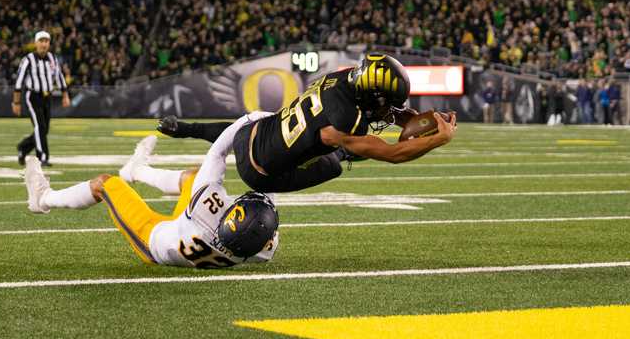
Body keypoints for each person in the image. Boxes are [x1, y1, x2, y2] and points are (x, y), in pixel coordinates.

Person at [156, 53, 456, 194]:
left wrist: (410, 117)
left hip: (253, 133)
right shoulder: (347, 121)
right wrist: (437, 139)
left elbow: (375, 104)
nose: (390, 109)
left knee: (259, 121)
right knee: (336, 161)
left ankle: (184, 129)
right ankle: (337, 152)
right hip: (260, 175)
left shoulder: (341, 78)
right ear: (373, 95)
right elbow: (392, 153)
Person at [23, 114, 278, 268]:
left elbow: (219, 149)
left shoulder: (206, 212)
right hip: (187, 230)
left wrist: (249, 120)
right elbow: (268, 195)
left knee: (105, 183)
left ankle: (42, 198)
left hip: (153, 239)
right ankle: (136, 169)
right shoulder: (263, 251)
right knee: (191, 177)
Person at [13, 30, 69, 166]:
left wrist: (65, 94)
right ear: (36, 43)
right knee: (40, 126)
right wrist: (16, 102)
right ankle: (42, 157)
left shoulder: (52, 58)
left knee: (44, 129)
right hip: (32, 96)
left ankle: (23, 147)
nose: (44, 44)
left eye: (46, 41)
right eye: (41, 41)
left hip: (46, 96)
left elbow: (59, 76)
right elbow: (19, 81)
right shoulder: (28, 59)